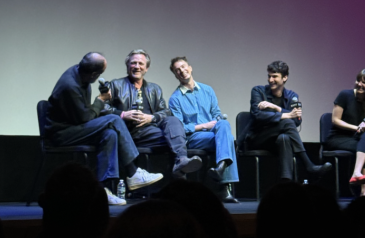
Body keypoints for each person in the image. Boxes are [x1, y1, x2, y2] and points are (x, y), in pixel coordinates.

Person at [45, 52, 163, 205]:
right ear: (94, 74)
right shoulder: (70, 86)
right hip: (62, 133)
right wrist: (100, 100)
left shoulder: (79, 73)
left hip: (76, 126)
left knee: (109, 134)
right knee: (114, 119)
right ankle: (133, 172)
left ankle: (103, 190)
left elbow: (84, 114)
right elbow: (85, 118)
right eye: (100, 73)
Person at [107, 49, 203, 178]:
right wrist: (123, 114)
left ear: (146, 68)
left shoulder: (154, 89)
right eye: (133, 63)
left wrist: (151, 118)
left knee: (173, 123)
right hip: (126, 133)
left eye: (141, 64)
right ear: (127, 66)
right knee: (176, 141)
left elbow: (166, 112)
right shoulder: (115, 85)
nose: (137, 66)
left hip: (150, 133)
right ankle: (180, 173)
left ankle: (181, 161)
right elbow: (102, 108)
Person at [239, 61, 331, 182]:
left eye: (274, 76)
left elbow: (297, 121)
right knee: (287, 122)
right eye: (269, 76)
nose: (270, 80)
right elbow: (258, 115)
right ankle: (308, 165)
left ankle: (285, 183)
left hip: (276, 141)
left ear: (285, 78)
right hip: (258, 138)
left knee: (285, 138)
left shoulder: (292, 96)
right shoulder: (258, 91)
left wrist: (276, 108)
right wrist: (286, 114)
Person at [168, 57, 239, 203]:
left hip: (213, 134)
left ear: (190, 67)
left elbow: (216, 114)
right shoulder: (175, 99)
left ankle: (221, 166)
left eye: (183, 66)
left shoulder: (208, 90)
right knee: (228, 140)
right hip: (194, 138)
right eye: (177, 70)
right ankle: (224, 188)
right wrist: (203, 126)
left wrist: (217, 122)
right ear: (175, 75)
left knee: (224, 124)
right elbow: (179, 127)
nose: (182, 71)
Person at [326, 68, 365, 196]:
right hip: (337, 138)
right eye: (358, 81)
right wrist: (356, 127)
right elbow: (335, 120)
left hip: (354, 138)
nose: (360, 84)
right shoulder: (345, 95)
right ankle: (363, 188)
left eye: (364, 82)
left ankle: (360, 181)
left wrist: (364, 127)